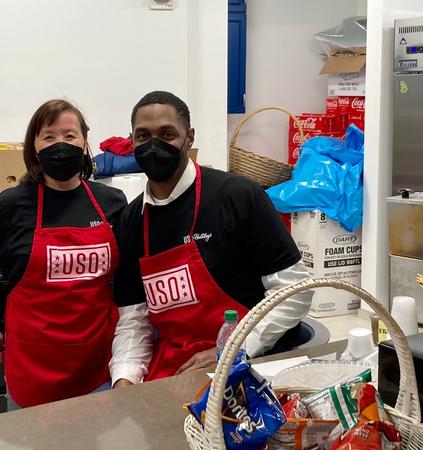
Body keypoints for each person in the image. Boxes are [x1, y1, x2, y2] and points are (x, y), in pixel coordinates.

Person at [110, 91, 313, 387]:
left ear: (189, 138)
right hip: (176, 371)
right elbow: (134, 322)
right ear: (132, 142)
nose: (154, 145)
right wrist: (124, 381)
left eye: (167, 134)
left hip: (246, 366)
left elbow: (295, 292)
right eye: (143, 136)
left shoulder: (239, 197)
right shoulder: (131, 221)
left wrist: (231, 349)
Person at [0, 99, 127, 409]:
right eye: (49, 137)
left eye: (70, 135)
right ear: (34, 147)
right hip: (32, 368)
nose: (61, 144)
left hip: (97, 364)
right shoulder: (10, 206)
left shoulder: (112, 202)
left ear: (84, 142)